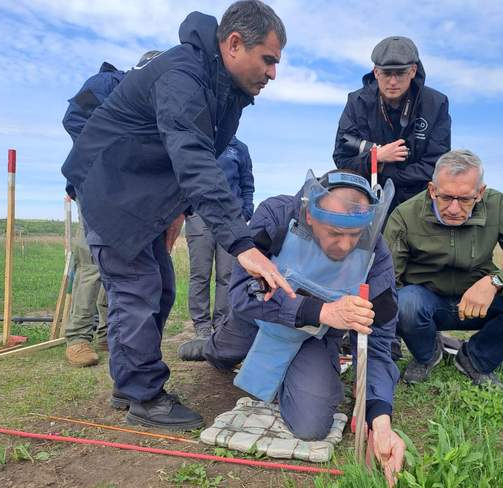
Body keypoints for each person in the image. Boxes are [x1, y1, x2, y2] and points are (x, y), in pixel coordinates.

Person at [61, 0, 295, 431]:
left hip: (143, 193)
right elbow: (192, 158)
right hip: (112, 189)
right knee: (137, 290)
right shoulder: (182, 75)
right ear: (235, 43)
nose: (273, 73)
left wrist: (175, 213)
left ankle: (127, 383)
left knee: (161, 287)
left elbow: (190, 155)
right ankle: (143, 396)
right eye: (269, 60)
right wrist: (241, 243)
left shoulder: (224, 87)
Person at [179, 170, 405, 486]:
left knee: (311, 425)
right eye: (336, 232)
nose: (345, 245)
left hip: (313, 337)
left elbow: (378, 342)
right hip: (256, 319)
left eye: (356, 235)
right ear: (310, 215)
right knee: (223, 354)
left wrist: (380, 418)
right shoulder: (276, 214)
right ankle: (211, 347)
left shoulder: (375, 253)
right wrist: (322, 310)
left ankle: (288, 374)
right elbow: (241, 293)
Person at [384, 149, 503, 387]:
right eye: (445, 197)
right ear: (432, 189)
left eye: (465, 199)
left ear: (480, 193)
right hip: (427, 302)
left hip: (482, 302)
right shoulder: (405, 215)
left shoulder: (500, 207)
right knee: (405, 303)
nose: (454, 209)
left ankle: (476, 359)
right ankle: (427, 355)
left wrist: (495, 282)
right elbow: (386, 280)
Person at [62, 52, 160, 367]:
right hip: (96, 188)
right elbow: (75, 120)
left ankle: (108, 332)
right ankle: (77, 337)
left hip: (129, 197)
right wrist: (119, 159)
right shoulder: (107, 83)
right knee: (92, 262)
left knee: (122, 263)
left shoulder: (152, 101)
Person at [333, 36, 451, 213]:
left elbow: (437, 165)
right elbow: (342, 158)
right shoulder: (356, 102)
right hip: (367, 202)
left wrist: (383, 170)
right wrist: (377, 157)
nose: (393, 81)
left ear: (412, 70)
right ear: (376, 72)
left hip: (417, 206)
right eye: (387, 73)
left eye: (400, 73)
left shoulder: (436, 103)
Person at [185, 136, 254, 338]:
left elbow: (247, 183)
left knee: (227, 275)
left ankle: (222, 323)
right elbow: (185, 177)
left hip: (232, 217)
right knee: (200, 274)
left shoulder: (239, 148)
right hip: (200, 215)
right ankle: (202, 326)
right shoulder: (198, 142)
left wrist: (245, 212)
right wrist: (188, 208)